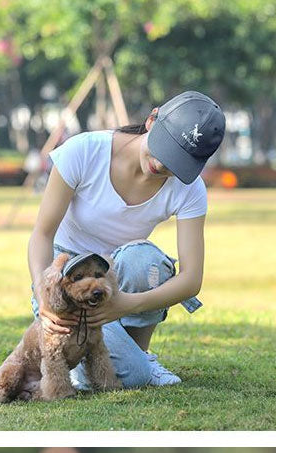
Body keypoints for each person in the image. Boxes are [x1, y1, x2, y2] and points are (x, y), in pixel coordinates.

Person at [28, 90, 225, 388]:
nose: (161, 165)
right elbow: (42, 235)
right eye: (164, 149)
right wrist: (44, 294)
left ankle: (138, 355)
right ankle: (73, 359)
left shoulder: (189, 190)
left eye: (178, 161)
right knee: (132, 377)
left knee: (144, 260)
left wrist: (126, 304)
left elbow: (191, 279)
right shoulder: (83, 151)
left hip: (117, 278)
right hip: (67, 275)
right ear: (151, 120)